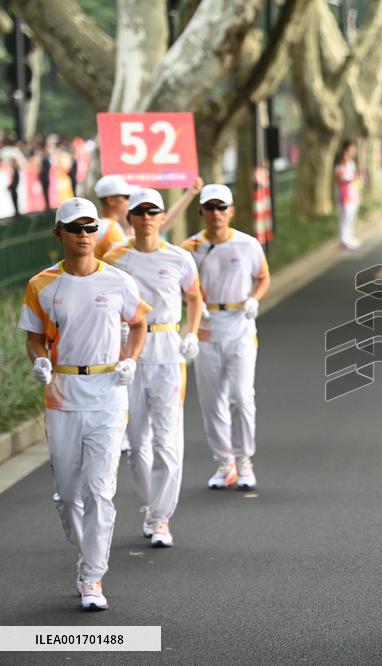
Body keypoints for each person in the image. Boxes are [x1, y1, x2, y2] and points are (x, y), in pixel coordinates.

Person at [19, 197, 151, 611]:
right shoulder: (42, 284)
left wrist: (130, 358)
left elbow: (140, 322)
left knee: (100, 490)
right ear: (59, 233)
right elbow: (34, 334)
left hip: (108, 392)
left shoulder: (118, 281)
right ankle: (88, 551)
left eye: (90, 228)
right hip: (62, 395)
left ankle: (93, 575)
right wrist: (40, 359)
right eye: (75, 228)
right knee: (67, 494)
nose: (84, 235)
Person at [103, 189, 202, 548]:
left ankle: (161, 518)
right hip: (128, 354)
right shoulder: (115, 257)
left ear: (162, 217)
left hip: (166, 351)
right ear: (129, 218)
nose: (146, 218)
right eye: (139, 212)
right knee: (136, 443)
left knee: (167, 440)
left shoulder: (179, 258)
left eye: (153, 212)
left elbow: (194, 297)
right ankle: (150, 506)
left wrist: (190, 333)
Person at [181, 184, 270, 490]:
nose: (216, 214)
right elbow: (180, 288)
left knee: (241, 396)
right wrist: (194, 306)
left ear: (231, 211)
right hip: (206, 328)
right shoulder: (189, 248)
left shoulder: (247, 245)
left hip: (240, 326)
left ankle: (245, 460)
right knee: (211, 400)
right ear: (201, 212)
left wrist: (254, 299)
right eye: (210, 208)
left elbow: (263, 277)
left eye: (222, 208)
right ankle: (224, 463)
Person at [93, 175, 133, 259]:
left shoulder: (99, 226)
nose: (128, 201)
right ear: (111, 200)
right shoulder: (111, 229)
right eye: (126, 197)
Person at [334, 141, 362, 250]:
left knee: (351, 218)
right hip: (344, 197)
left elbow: (354, 180)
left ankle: (349, 238)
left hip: (353, 195)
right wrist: (355, 177)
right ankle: (344, 240)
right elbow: (344, 181)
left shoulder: (351, 164)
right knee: (345, 218)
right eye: (349, 150)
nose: (351, 153)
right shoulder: (339, 168)